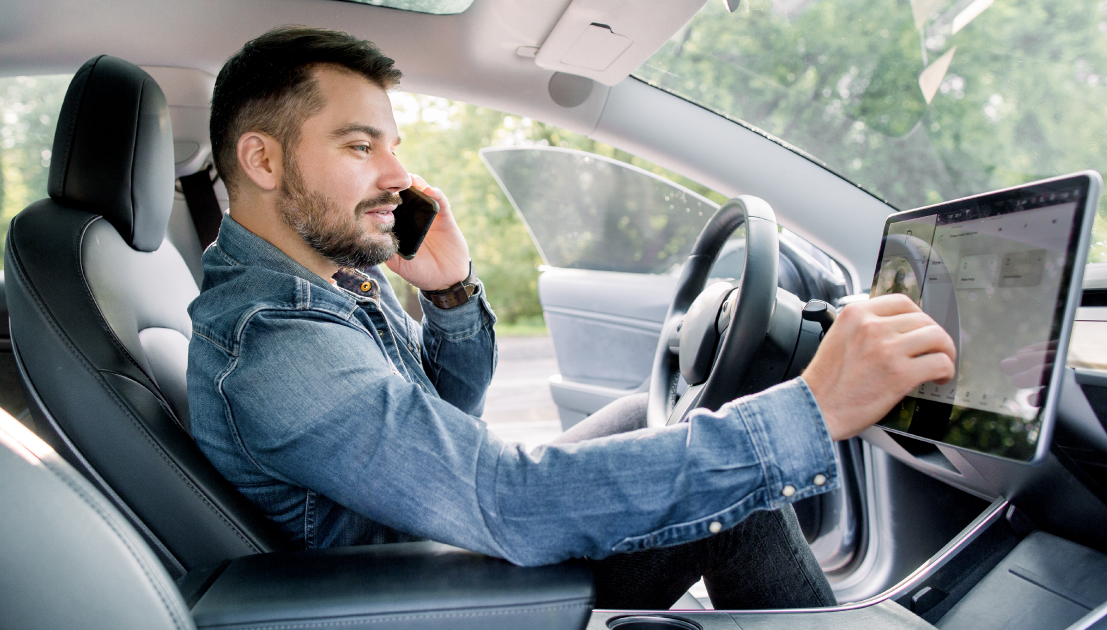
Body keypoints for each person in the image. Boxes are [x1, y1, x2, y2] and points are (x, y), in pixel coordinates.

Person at [187, 26, 957, 610]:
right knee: (730, 490)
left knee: (661, 425)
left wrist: (450, 291)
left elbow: (445, 414)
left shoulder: (330, 279)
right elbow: (503, 500)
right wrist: (812, 411)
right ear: (263, 161)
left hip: (436, 539)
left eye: (394, 145)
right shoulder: (275, 341)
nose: (397, 176)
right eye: (360, 146)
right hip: (432, 597)